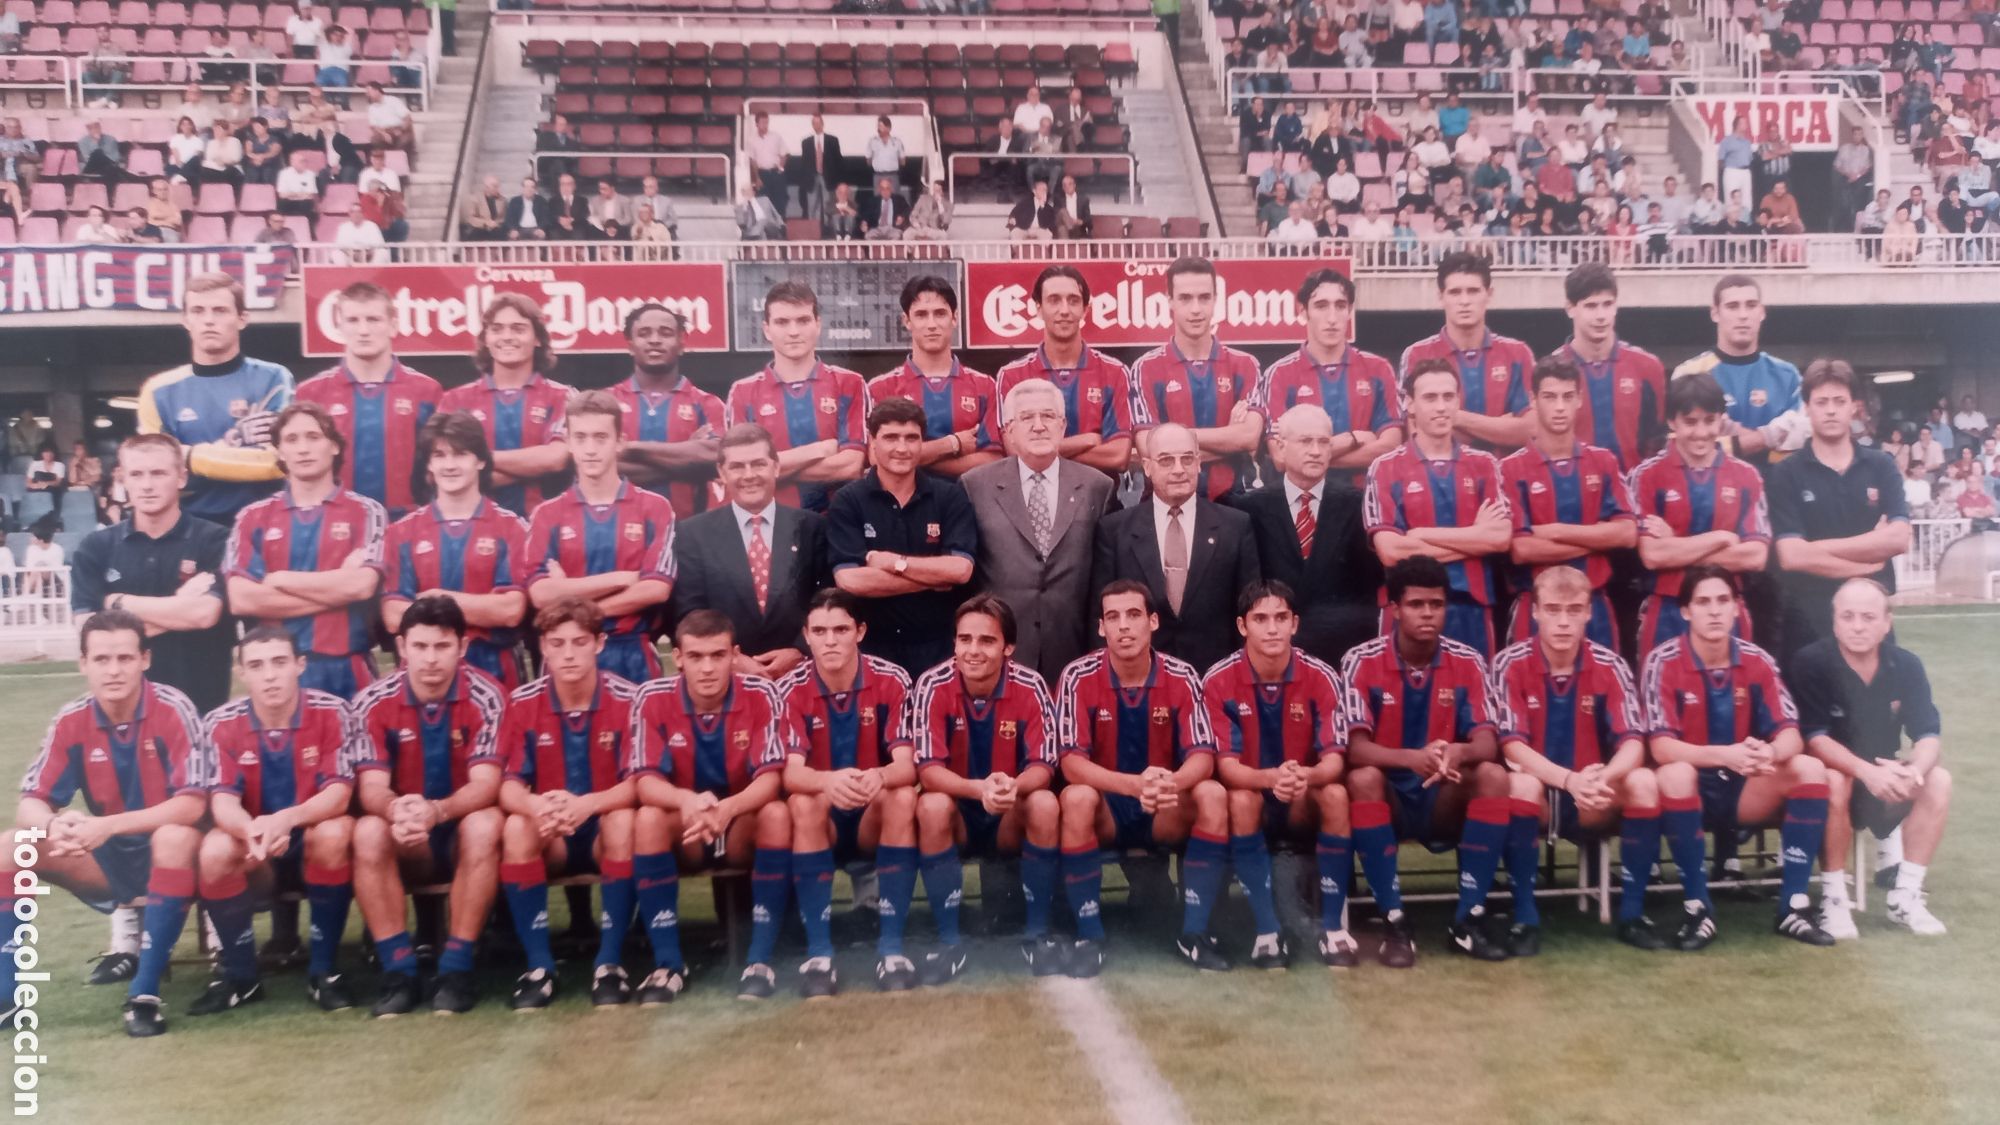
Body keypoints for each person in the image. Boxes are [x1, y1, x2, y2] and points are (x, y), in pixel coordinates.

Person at [0, 612, 209, 1037]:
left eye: (124, 657)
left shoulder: (174, 708)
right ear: (83, 663)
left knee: (172, 835)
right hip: (111, 861)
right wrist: (53, 825)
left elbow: (192, 805)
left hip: (183, 858)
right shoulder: (72, 719)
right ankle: (6, 997)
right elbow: (32, 802)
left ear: (144, 660)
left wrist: (108, 826)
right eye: (101, 659)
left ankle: (144, 995)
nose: (113, 670)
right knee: (12, 844)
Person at [1492, 566, 1693, 951]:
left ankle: (1633, 914)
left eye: (1574, 610)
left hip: (1592, 793)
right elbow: (1511, 746)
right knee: (1520, 782)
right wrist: (1570, 780)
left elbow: (1634, 743)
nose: (1564, 621)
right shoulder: (1509, 663)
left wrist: (1603, 778)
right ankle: (1525, 918)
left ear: (1589, 612)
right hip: (1542, 794)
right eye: (1553, 609)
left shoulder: (1610, 665)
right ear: (1534, 611)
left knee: (1642, 781)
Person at [1641, 565, 1836, 947]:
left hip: (1745, 784)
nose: (1714, 611)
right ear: (1685, 611)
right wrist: (1725, 755)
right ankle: (1698, 908)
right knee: (1674, 773)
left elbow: (1790, 733)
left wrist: (1770, 751)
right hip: (1693, 787)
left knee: (1808, 767)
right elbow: (1660, 747)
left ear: (1736, 608)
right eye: (1703, 602)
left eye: (1722, 601)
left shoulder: (1756, 660)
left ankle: (1793, 906)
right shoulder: (1662, 661)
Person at [1339, 556, 1512, 963]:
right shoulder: (1360, 660)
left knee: (1492, 775)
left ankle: (1468, 917)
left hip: (1443, 791)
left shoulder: (1467, 660)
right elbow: (1354, 748)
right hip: (1392, 796)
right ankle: (1394, 919)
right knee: (1362, 778)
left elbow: (1488, 742)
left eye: (1436, 604)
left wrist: (1459, 750)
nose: (1428, 613)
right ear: (1395, 609)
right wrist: (1411, 759)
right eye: (1417, 604)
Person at [1054, 580, 1227, 974]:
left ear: (1153, 622)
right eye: (1112, 617)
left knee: (1213, 794)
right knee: (1076, 798)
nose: (1124, 627)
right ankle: (1089, 935)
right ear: (1101, 628)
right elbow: (1070, 763)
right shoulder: (1078, 676)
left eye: (1133, 615)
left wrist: (1169, 784)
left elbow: (1202, 755)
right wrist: (1134, 785)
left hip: (1164, 804)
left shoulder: (1181, 675)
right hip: (1109, 809)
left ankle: (1195, 933)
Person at [348, 595, 507, 1016]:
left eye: (442, 647)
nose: (431, 659)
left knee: (486, 824)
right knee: (366, 829)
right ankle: (398, 971)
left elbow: (487, 785)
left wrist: (437, 812)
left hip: (457, 829)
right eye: (420, 647)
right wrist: (397, 810)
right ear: (401, 647)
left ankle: (456, 969)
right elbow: (371, 789)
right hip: (407, 835)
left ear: (463, 647)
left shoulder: (488, 696)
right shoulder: (372, 701)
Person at [627, 611, 793, 1000]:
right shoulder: (650, 697)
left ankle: (760, 960)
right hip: (686, 828)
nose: (707, 668)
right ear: (678, 657)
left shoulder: (761, 693)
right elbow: (646, 782)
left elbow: (770, 779)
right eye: (696, 656)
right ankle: (668, 964)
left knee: (777, 812)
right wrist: (685, 800)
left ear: (734, 656)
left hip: (738, 822)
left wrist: (728, 808)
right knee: (649, 817)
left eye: (717, 656)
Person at [192, 628, 358, 1015]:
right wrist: (252, 830)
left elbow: (340, 794)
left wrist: (287, 819)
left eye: (280, 663)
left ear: (300, 665)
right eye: (257, 665)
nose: (270, 675)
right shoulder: (220, 722)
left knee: (335, 831)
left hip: (311, 842)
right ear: (241, 672)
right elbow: (222, 802)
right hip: (258, 851)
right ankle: (242, 976)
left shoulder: (333, 711)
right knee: (215, 848)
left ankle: (324, 972)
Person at [493, 597, 642, 1009]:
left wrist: (589, 804)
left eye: (579, 642)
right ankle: (540, 966)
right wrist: (536, 807)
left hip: (600, 827)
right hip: (552, 830)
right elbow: (507, 787)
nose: (568, 653)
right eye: (557, 643)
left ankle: (610, 962)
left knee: (622, 821)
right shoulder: (523, 702)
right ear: (543, 647)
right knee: (516, 825)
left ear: (599, 643)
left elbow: (640, 783)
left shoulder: (629, 698)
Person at [774, 590, 920, 992]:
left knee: (903, 796)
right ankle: (819, 955)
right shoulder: (790, 688)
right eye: (819, 631)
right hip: (825, 815)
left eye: (841, 629)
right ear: (806, 635)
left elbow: (906, 765)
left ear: (861, 631)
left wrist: (880, 777)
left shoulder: (892, 678)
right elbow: (791, 775)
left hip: (872, 810)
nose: (830, 640)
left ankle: (892, 949)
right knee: (802, 803)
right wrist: (827, 781)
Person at [908, 595, 1062, 974]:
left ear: (1008, 647)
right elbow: (928, 770)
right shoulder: (933, 683)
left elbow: (1044, 764)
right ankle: (949, 941)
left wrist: (1012, 788)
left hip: (1008, 812)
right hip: (959, 814)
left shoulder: (1031, 684)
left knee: (1044, 803)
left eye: (987, 641)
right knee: (930, 804)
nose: (973, 651)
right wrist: (980, 790)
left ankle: (1038, 934)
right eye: (964, 640)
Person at [1206, 581, 1355, 967]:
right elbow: (1228, 769)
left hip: (1302, 793)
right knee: (1238, 798)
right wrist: (1274, 778)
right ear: (1243, 626)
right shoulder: (1218, 680)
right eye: (1260, 619)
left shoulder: (1321, 675)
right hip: (1256, 794)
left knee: (1337, 794)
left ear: (1295, 623)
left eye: (1280, 618)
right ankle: (1267, 932)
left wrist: (1303, 776)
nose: (1271, 628)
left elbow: (1335, 761)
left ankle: (1334, 930)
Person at [1795, 579, 1952, 938]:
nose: (1858, 626)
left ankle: (1906, 896)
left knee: (1938, 780)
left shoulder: (1907, 665)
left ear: (1887, 622)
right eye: (1847, 616)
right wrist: (1867, 773)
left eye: (1868, 616)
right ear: (1834, 621)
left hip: (1884, 784)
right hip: (1830, 786)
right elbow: (1815, 738)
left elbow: (1928, 734)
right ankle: (1834, 901)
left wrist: (1913, 771)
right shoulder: (1811, 662)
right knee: (1834, 780)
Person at [225, 402, 387, 699]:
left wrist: (279, 579)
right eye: (291, 439)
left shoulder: (366, 511)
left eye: (313, 437)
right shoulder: (252, 516)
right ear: (279, 451)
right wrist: (338, 589)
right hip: (277, 672)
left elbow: (362, 587)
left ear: (335, 446)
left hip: (347, 667)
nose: (302, 449)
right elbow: (241, 599)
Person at [960, 379, 1116, 686]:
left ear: (1062, 425)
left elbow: (1102, 577)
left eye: (1048, 416)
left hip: (1073, 650)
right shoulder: (975, 486)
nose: (1039, 426)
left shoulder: (1098, 486)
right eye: (1027, 418)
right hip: (999, 650)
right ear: (1009, 431)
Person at [70, 434, 233, 714]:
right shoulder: (95, 548)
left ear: (181, 477)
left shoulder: (216, 540)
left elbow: (204, 614)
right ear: (122, 478)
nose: (147, 485)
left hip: (202, 711)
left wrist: (118, 604)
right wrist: (180, 608)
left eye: (158, 473)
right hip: (122, 717)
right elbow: (93, 637)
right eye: (136, 474)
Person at [524, 391, 678, 683]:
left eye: (600, 437)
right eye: (580, 438)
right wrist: (623, 578)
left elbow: (656, 589)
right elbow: (541, 594)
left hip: (631, 649)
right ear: (568, 442)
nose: (590, 449)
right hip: (569, 650)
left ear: (619, 441)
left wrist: (571, 598)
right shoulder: (547, 514)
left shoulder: (654, 507)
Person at [1365, 357, 1512, 657]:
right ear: (1410, 404)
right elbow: (1392, 552)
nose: (1441, 406)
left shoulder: (1484, 464)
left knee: (1471, 699)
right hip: (1408, 608)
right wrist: (1474, 537)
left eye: (1448, 397)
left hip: (1471, 606)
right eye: (1430, 398)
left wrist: (1420, 536)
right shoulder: (1385, 467)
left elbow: (1499, 538)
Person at [1768, 359, 1909, 665]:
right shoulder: (1786, 473)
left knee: (1878, 711)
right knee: (1808, 713)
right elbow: (1791, 557)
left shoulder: (1881, 465)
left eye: (1839, 401)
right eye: (1821, 402)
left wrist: (1815, 550)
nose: (1830, 410)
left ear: (1854, 407)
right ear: (1806, 407)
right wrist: (1868, 561)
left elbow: (1899, 538)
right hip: (1807, 623)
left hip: (1870, 619)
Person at [1092, 420, 1261, 670]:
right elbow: (1100, 616)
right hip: (1141, 676)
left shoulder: (1235, 526)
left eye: (1187, 459)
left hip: (1216, 673)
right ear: (1147, 467)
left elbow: (1250, 609)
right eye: (1166, 460)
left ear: (1199, 463)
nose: (1179, 469)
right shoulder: (1114, 531)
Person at [827, 398, 978, 676]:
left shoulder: (949, 496)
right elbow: (851, 581)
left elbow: (960, 571)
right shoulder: (848, 501)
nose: (901, 448)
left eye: (911, 438)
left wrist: (891, 563)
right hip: (871, 651)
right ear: (872, 442)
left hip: (940, 649)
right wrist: (933, 576)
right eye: (890, 437)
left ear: (922, 443)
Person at [381, 411, 532, 689]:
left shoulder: (512, 527)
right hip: (425, 671)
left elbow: (510, 610)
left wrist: (434, 598)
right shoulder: (401, 531)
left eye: (460, 454)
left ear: (481, 460)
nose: (449, 465)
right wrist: (481, 608)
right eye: (439, 455)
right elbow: (392, 616)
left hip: (494, 667)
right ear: (428, 463)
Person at [668, 424, 828, 684]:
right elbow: (689, 611)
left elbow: (824, 601)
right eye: (737, 466)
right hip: (725, 677)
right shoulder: (692, 533)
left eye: (758, 464)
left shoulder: (812, 527)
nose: (749, 475)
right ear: (721, 472)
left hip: (800, 676)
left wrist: (799, 649)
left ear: (776, 467)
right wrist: (732, 657)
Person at [1499, 355, 1638, 650]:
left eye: (1567, 396)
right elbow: (1522, 549)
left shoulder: (1602, 461)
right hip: (1535, 606)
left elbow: (1627, 534)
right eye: (1550, 397)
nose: (1559, 407)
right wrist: (1600, 538)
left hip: (1594, 604)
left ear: (1579, 399)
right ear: (1533, 400)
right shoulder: (1510, 469)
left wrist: (1553, 530)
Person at [1628, 371, 1771, 655]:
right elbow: (1653, 556)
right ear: (1672, 422)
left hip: (1726, 609)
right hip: (1667, 609)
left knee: (1732, 698)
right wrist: (1722, 537)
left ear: (1721, 420)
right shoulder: (1645, 475)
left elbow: (1755, 556)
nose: (1701, 432)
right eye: (1690, 422)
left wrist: (1677, 546)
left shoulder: (1747, 476)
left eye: (1710, 421)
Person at [136, 272, 295, 522]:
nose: (209, 320)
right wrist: (237, 453)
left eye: (220, 310)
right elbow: (159, 472)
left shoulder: (273, 378)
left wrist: (188, 456)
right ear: (186, 320)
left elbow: (278, 462)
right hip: (190, 530)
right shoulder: (157, 391)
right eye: (198, 311)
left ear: (242, 318)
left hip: (264, 524)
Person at [1235, 403, 1383, 668]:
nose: (1315, 451)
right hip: (1273, 655)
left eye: (1324, 442)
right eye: (1305, 441)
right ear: (1281, 447)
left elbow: (1368, 590)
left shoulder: (1359, 505)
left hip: (1344, 651)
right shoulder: (1249, 509)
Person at [295, 282, 443, 519]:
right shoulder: (311, 393)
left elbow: (442, 464)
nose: (363, 330)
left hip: (409, 524)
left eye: (373, 320)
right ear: (340, 327)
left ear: (393, 326)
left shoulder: (426, 391)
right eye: (353, 320)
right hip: (333, 524)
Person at [724, 281, 869, 513]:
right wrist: (820, 450)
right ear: (766, 329)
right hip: (773, 526)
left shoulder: (849, 383)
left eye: (803, 320)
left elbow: (851, 466)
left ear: (818, 325)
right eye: (782, 322)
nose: (793, 331)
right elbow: (744, 473)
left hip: (839, 524)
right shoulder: (743, 392)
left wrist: (770, 468)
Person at [1131, 257, 1266, 501]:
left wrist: (1168, 440)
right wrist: (1228, 436)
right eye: (1185, 298)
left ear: (1216, 299)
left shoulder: (1246, 365)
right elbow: (1147, 448)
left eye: (1204, 298)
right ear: (1170, 300)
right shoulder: (1145, 368)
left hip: (1235, 501)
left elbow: (1248, 437)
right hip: (1167, 502)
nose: (1195, 309)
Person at [1252, 269, 1404, 475]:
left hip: (1362, 497)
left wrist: (1307, 458)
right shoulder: (1279, 374)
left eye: (1340, 306)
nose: (1332, 317)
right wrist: (1353, 438)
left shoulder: (1378, 368)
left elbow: (1391, 447)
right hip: (1305, 500)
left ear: (1349, 311)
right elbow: (1280, 458)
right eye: (1321, 306)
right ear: (1304, 311)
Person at [994, 265, 1139, 477]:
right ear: (1038, 308)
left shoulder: (1114, 371)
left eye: (1073, 300)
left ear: (1085, 309)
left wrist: (1041, 450)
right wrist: (1086, 440)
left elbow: (1118, 457)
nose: (1064, 310)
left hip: (1101, 506)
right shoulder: (1012, 375)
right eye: (1054, 300)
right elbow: (1015, 453)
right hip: (1033, 503)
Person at [439, 292, 574, 516]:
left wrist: (478, 458)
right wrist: (534, 467)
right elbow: (444, 472)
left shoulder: (562, 396)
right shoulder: (455, 400)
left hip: (544, 527)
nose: (507, 336)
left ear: (538, 338)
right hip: (474, 528)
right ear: (486, 339)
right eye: (497, 329)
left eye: (518, 328)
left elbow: (557, 459)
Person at [866, 277, 1001, 479]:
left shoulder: (984, 385)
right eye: (921, 315)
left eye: (940, 314)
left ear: (954, 318)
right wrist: (952, 444)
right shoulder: (880, 388)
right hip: (904, 507)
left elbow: (993, 461)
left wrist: (913, 462)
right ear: (906, 321)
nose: (931, 324)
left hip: (965, 505)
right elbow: (877, 459)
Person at [1399, 253, 1535, 449]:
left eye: (1473, 291)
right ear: (1441, 297)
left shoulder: (1518, 353)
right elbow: (1418, 435)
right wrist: (1500, 425)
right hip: (1442, 478)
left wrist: (1455, 417)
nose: (1464, 301)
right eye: (1455, 292)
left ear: (1489, 294)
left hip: (1507, 477)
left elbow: (1530, 431)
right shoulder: (1417, 354)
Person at [1669, 275, 1805, 468]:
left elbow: (1801, 438)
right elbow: (1686, 446)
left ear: (1762, 312)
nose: (1743, 315)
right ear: (1715, 313)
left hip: (1776, 491)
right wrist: (1769, 435)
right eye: (1733, 306)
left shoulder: (1788, 375)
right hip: (1712, 491)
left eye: (1751, 305)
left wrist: (1732, 436)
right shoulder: (1688, 374)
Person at [608, 304, 724, 518]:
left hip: (687, 532)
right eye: (644, 333)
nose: (654, 339)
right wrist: (688, 458)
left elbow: (716, 459)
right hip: (619, 531)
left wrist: (632, 449)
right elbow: (600, 465)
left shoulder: (707, 403)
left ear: (682, 342)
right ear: (630, 344)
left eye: (665, 333)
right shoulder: (606, 402)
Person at [1551, 263, 1667, 473]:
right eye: (1591, 306)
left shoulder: (1648, 367)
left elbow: (1659, 440)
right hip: (1574, 497)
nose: (1601, 315)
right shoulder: (1550, 371)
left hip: (1635, 498)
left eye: (1607, 304)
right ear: (1570, 309)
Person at [795, 113, 843, 221]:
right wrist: (805, 179)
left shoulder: (832, 140)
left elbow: (838, 161)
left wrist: (838, 179)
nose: (816, 125)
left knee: (827, 204)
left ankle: (827, 228)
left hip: (828, 177)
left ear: (822, 124)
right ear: (812, 125)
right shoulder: (806, 142)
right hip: (812, 178)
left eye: (818, 123)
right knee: (812, 205)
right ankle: (814, 229)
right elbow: (804, 163)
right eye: (814, 123)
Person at [744, 111, 787, 216]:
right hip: (762, 174)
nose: (765, 125)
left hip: (776, 173)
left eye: (767, 122)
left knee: (780, 202)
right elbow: (752, 161)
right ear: (756, 124)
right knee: (762, 202)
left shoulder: (776, 136)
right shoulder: (751, 140)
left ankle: (781, 228)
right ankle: (765, 229)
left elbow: (784, 154)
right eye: (763, 122)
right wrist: (757, 178)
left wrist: (781, 169)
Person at [860, 173, 909, 241]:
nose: (885, 191)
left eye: (887, 188)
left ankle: (891, 252)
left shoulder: (899, 199)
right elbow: (866, 214)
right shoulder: (873, 201)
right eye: (882, 188)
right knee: (868, 236)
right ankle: (875, 252)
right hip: (877, 228)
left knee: (897, 236)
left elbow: (907, 210)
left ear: (891, 189)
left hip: (892, 228)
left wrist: (902, 217)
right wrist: (864, 222)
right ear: (879, 190)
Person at [504, 175, 547, 240]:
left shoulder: (541, 201)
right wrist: (513, 229)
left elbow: (546, 218)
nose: (529, 189)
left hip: (536, 229)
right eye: (526, 187)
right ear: (522, 188)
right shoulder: (514, 201)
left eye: (532, 187)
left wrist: (541, 228)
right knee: (512, 236)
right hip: (519, 229)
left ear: (535, 189)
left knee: (542, 235)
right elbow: (509, 219)